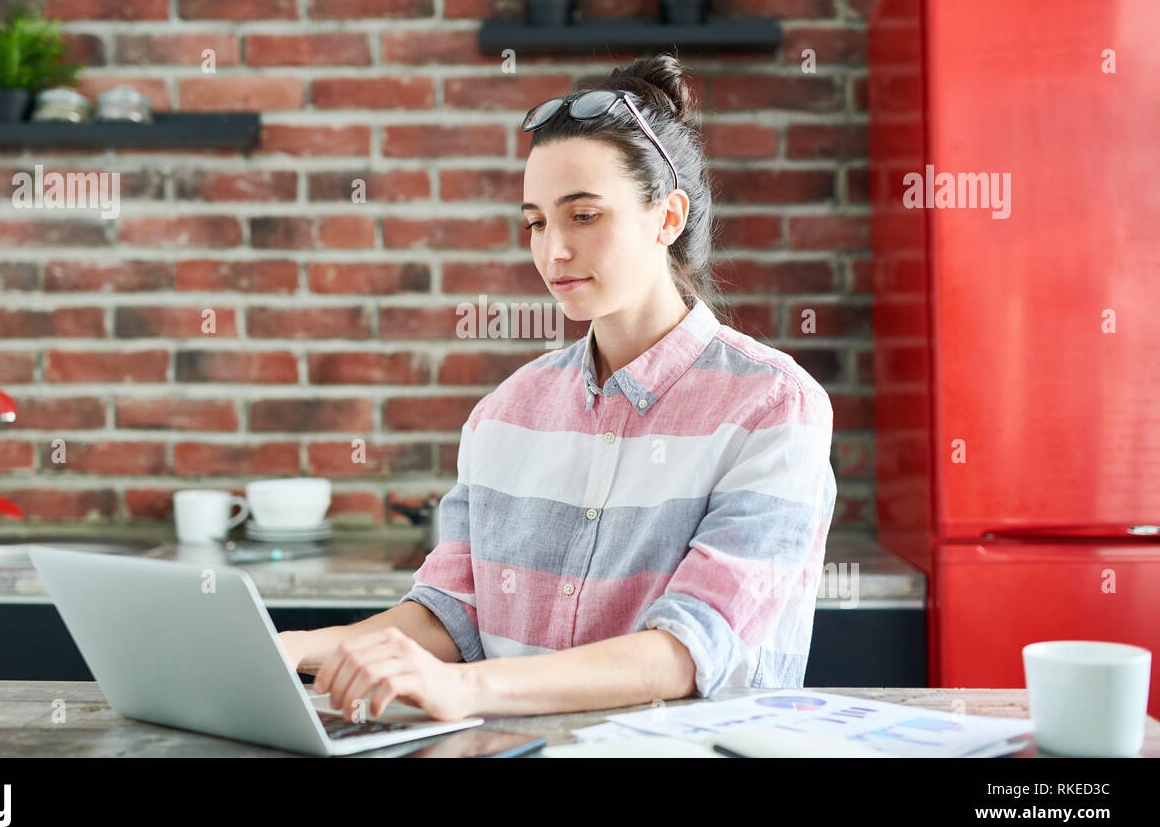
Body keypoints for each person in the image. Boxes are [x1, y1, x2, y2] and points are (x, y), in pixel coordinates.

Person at [279, 53, 837, 723]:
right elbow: (452, 615)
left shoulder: (774, 407)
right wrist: (300, 646)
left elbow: (687, 650)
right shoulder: (505, 414)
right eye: (536, 222)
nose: (553, 252)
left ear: (667, 219)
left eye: (583, 216)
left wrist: (466, 690)